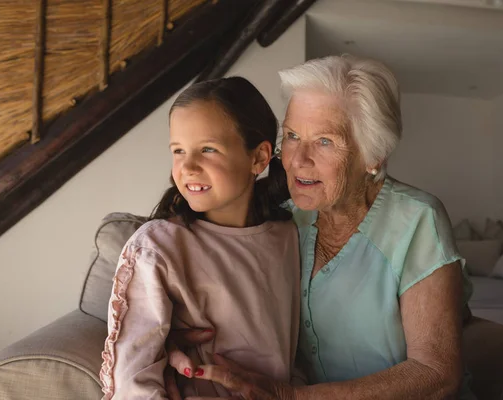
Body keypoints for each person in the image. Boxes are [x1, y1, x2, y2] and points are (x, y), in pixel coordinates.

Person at [168, 55, 475, 400]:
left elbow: (435, 373)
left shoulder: (417, 219)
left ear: (374, 155)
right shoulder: (279, 219)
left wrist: (295, 397)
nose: (298, 160)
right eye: (293, 136)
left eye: (325, 141)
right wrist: (170, 337)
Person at [99, 77, 302, 399]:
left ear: (259, 158)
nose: (188, 166)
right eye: (178, 150)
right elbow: (132, 374)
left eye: (208, 149)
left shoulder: (290, 236)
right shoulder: (157, 248)